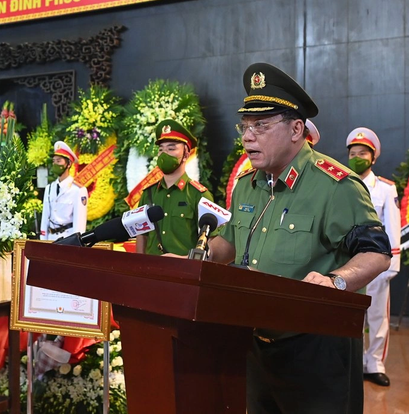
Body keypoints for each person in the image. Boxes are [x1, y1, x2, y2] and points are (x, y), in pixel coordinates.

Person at [208, 63, 392, 414]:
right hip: (255, 344)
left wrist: (336, 282)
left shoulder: (335, 185)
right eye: (245, 126)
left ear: (296, 129)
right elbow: (229, 241)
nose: (248, 136)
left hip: (317, 350)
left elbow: (376, 253)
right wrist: (194, 260)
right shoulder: (249, 184)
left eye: (261, 125)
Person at [346, 127, 401, 387]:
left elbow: (393, 226)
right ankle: (353, 362)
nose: (357, 157)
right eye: (353, 153)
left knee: (378, 315)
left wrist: (392, 266)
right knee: (350, 314)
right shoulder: (343, 185)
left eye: (362, 153)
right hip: (348, 263)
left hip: (378, 262)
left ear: (373, 158)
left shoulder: (386, 189)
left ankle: (375, 363)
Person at [136, 120, 212, 256]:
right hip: (150, 272)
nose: (164, 154)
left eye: (171, 149)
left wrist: (184, 260)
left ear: (186, 154)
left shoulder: (199, 195)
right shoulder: (148, 193)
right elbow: (142, 235)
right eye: (161, 149)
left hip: (183, 273)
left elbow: (210, 243)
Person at [40, 141, 88, 241]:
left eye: (59, 161)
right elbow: (45, 219)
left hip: (68, 238)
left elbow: (79, 223)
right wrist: (43, 240)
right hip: (50, 238)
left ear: (69, 164)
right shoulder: (49, 188)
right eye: (54, 161)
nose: (55, 164)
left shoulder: (78, 190)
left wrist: (75, 243)